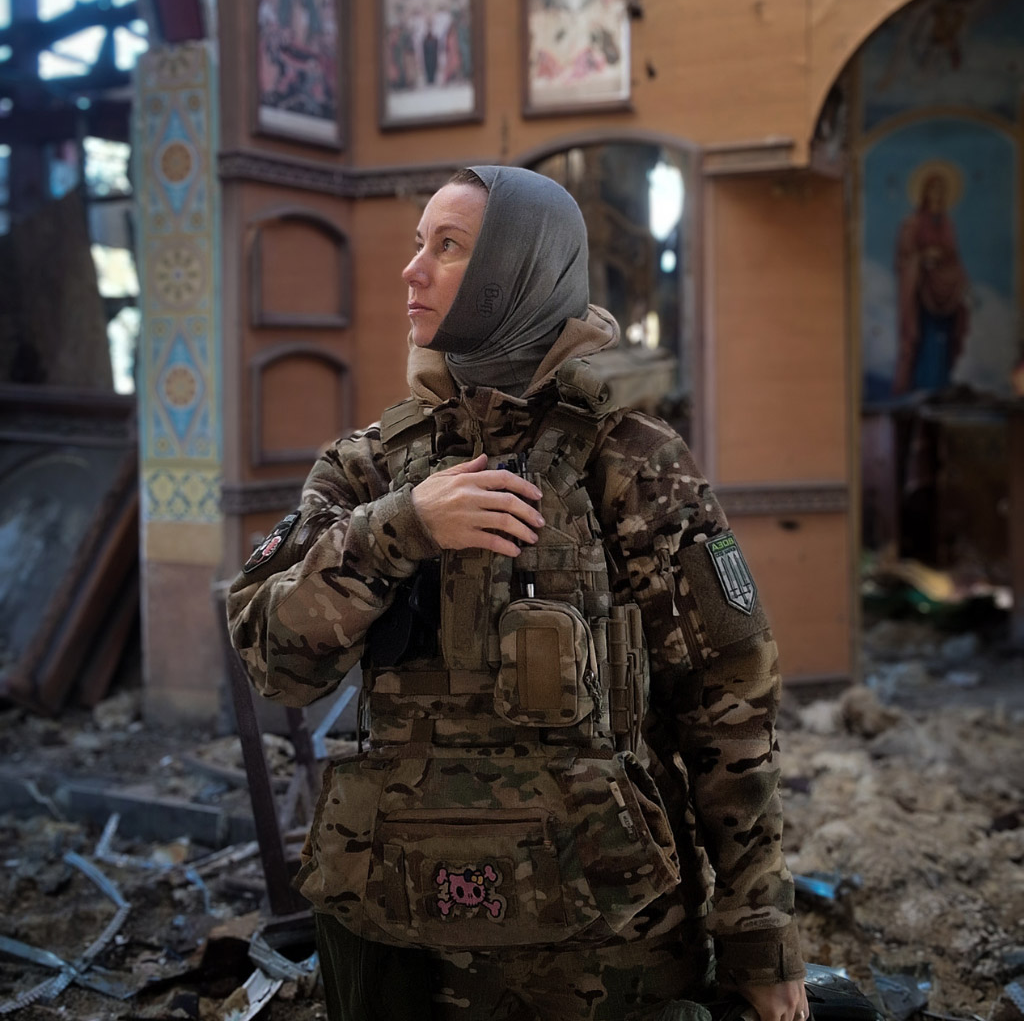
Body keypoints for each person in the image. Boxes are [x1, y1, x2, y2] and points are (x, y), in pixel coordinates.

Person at [227, 166, 808, 1021]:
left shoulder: (633, 462)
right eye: (418, 243)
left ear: (518, 268)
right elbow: (274, 662)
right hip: (403, 935)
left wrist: (758, 932)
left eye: (449, 246)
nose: (412, 270)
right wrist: (401, 528)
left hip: (604, 944)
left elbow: (730, 708)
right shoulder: (369, 467)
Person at [893, 170, 969, 396]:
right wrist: (923, 257)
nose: (937, 195)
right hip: (922, 290)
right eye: (933, 190)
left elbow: (953, 257)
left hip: (946, 291)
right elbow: (904, 257)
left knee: (944, 341)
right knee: (924, 338)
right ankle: (922, 386)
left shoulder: (947, 224)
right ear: (925, 193)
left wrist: (955, 273)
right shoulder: (913, 223)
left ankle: (941, 385)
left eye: (941, 191)